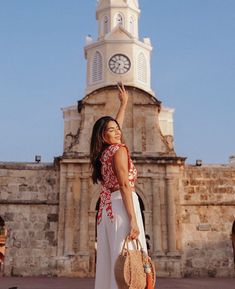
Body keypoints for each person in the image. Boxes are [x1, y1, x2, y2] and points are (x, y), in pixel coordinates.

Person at [90, 83, 147, 289]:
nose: (117, 132)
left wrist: (123, 105)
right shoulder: (119, 150)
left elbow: (114, 127)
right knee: (128, 257)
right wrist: (133, 219)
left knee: (113, 256)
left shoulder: (103, 154)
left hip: (107, 210)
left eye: (117, 129)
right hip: (122, 206)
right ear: (103, 136)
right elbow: (124, 184)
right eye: (111, 130)